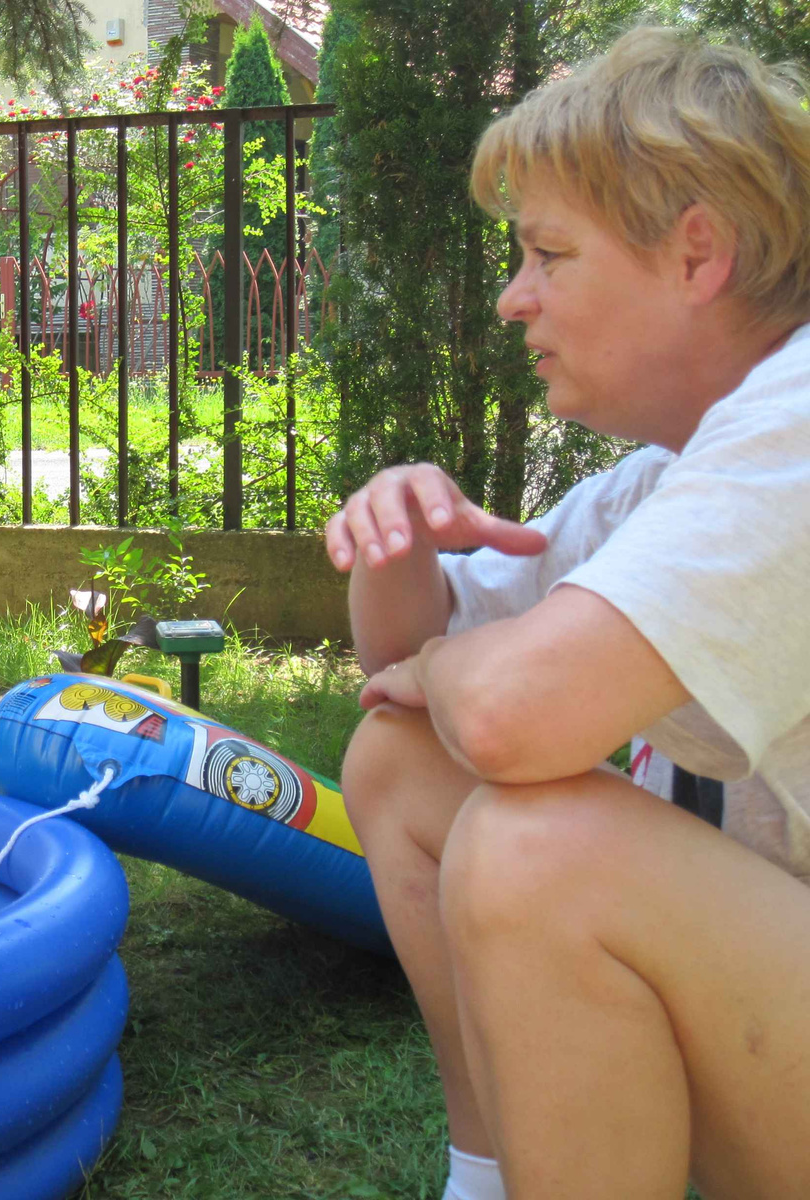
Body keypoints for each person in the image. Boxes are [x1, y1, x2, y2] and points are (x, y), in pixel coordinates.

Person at [326, 28, 810, 1200]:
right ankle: (484, 1179)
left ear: (697, 252)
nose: (512, 298)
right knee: (399, 762)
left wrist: (447, 675)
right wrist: (397, 538)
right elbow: (405, 668)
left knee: (538, 851)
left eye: (548, 253)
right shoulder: (670, 475)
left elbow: (504, 712)